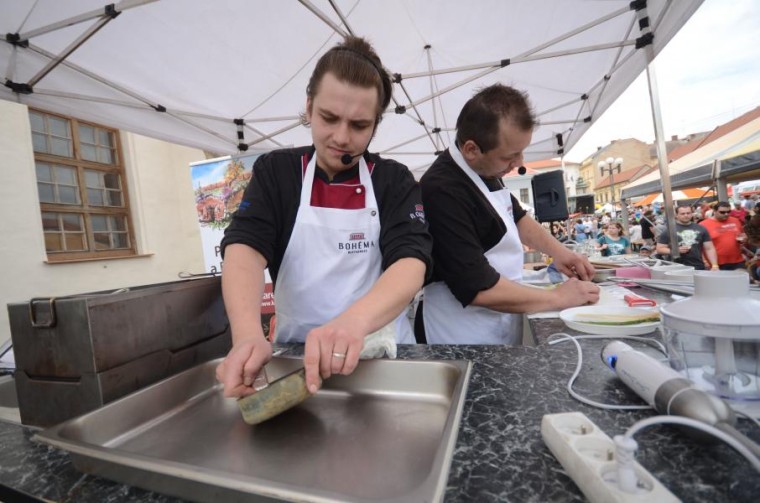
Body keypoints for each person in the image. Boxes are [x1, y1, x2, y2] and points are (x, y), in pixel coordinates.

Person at [217, 37, 432, 397]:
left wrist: (354, 323)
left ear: (376, 124)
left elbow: (410, 262)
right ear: (309, 106)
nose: (341, 138)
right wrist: (247, 335)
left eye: (359, 125)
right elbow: (245, 248)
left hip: (380, 361)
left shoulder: (393, 180)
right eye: (328, 118)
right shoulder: (278, 172)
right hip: (295, 361)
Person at [417, 84, 599, 345]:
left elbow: (517, 217)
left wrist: (560, 253)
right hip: (461, 336)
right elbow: (479, 288)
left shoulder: (485, 170)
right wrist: (559, 298)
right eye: (510, 157)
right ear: (471, 149)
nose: (519, 163)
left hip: (497, 322)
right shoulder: (441, 191)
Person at [655, 205, 717, 270]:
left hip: (697, 266)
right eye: (682, 214)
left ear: (692, 214)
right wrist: (676, 251)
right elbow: (659, 249)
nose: (686, 215)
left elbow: (709, 248)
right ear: (677, 215)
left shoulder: (700, 228)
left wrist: (715, 265)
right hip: (676, 267)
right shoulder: (669, 230)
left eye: (688, 213)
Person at [699, 201, 747, 270]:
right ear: (714, 211)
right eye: (722, 212)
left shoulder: (736, 221)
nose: (726, 214)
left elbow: (741, 235)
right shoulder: (703, 225)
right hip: (715, 263)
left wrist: (744, 239)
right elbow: (699, 246)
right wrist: (704, 261)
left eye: (728, 211)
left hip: (737, 260)